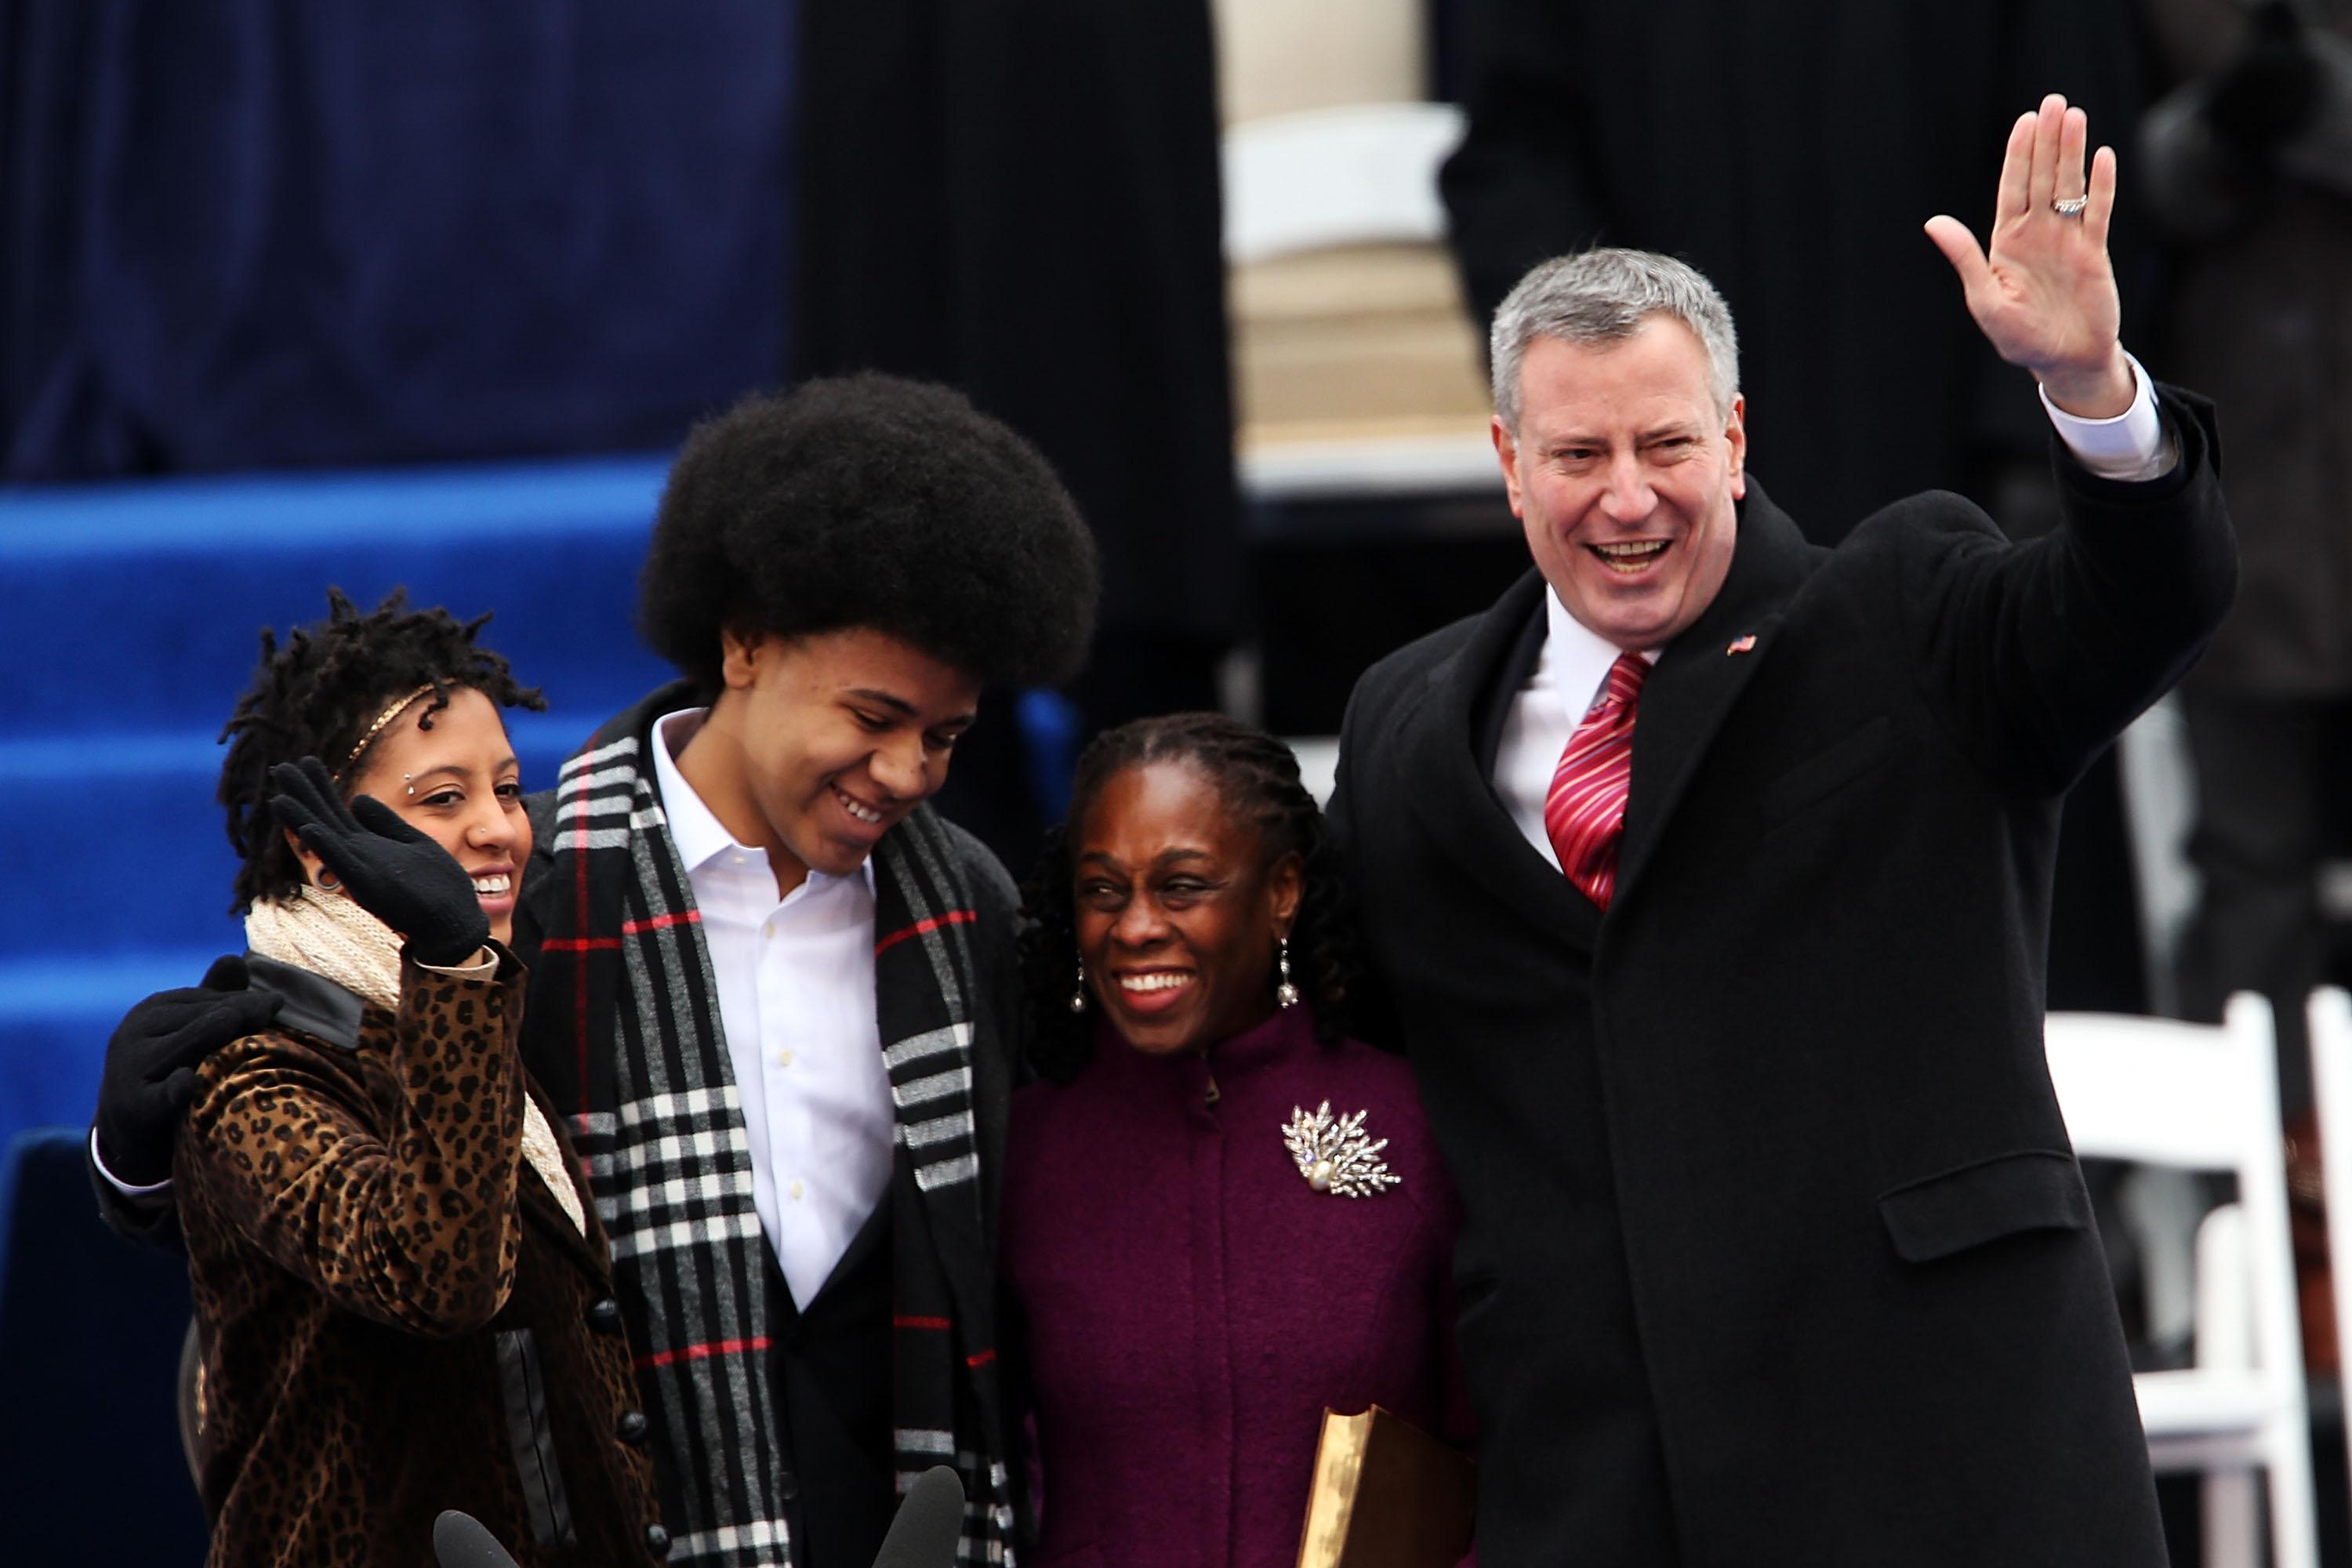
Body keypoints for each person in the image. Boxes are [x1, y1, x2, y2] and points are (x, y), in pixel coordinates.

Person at [1327, 96, 2234, 1564]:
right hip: (1592, 1484)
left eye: (1667, 443)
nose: (1628, 497)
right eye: (1577, 455)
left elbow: (2144, 608)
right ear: (1508, 462)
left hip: (1931, 1456)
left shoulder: (1902, 614)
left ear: (1736, 435)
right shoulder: (1405, 725)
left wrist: (2088, 386)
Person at [93, 373, 1102, 1568]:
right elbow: (365, 1217)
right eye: (873, 717)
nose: (906, 771)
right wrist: (139, 1168)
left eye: (944, 736)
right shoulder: (541, 887)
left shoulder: (970, 907)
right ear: (745, 645)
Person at [172, 592, 661, 1567]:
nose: (501, 830)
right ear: (318, 846)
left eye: (510, 789)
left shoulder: (465, 1014)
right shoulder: (255, 1071)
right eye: (444, 799)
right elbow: (438, 1277)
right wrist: (450, 968)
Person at [1002, 714, 1467, 1568]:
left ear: (1282, 890)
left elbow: (1515, 1447)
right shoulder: (1025, 1150)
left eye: (1182, 886)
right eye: (1103, 889)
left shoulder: (1418, 1121)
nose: (1135, 926)